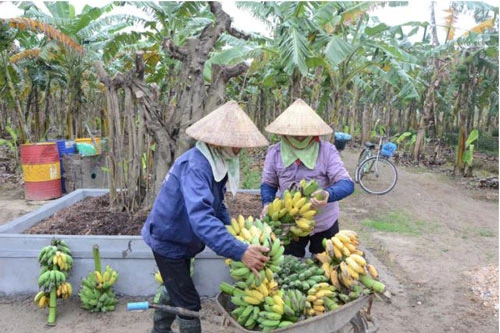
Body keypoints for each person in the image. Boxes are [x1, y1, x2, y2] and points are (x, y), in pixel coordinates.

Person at [142, 101, 270, 333]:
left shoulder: (214, 160)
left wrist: (232, 231)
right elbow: (201, 218)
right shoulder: (196, 166)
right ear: (218, 142)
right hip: (169, 239)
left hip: (181, 237)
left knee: (176, 287)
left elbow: (216, 203)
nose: (239, 150)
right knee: (189, 302)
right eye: (236, 145)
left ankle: (159, 331)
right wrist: (239, 250)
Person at [260, 98, 355, 258]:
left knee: (324, 266)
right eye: (293, 135)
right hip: (290, 223)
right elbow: (269, 183)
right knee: (289, 266)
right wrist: (267, 203)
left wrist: (328, 194)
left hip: (324, 222)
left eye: (304, 135)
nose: (298, 138)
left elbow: (347, 184)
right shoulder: (275, 153)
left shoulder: (327, 151)